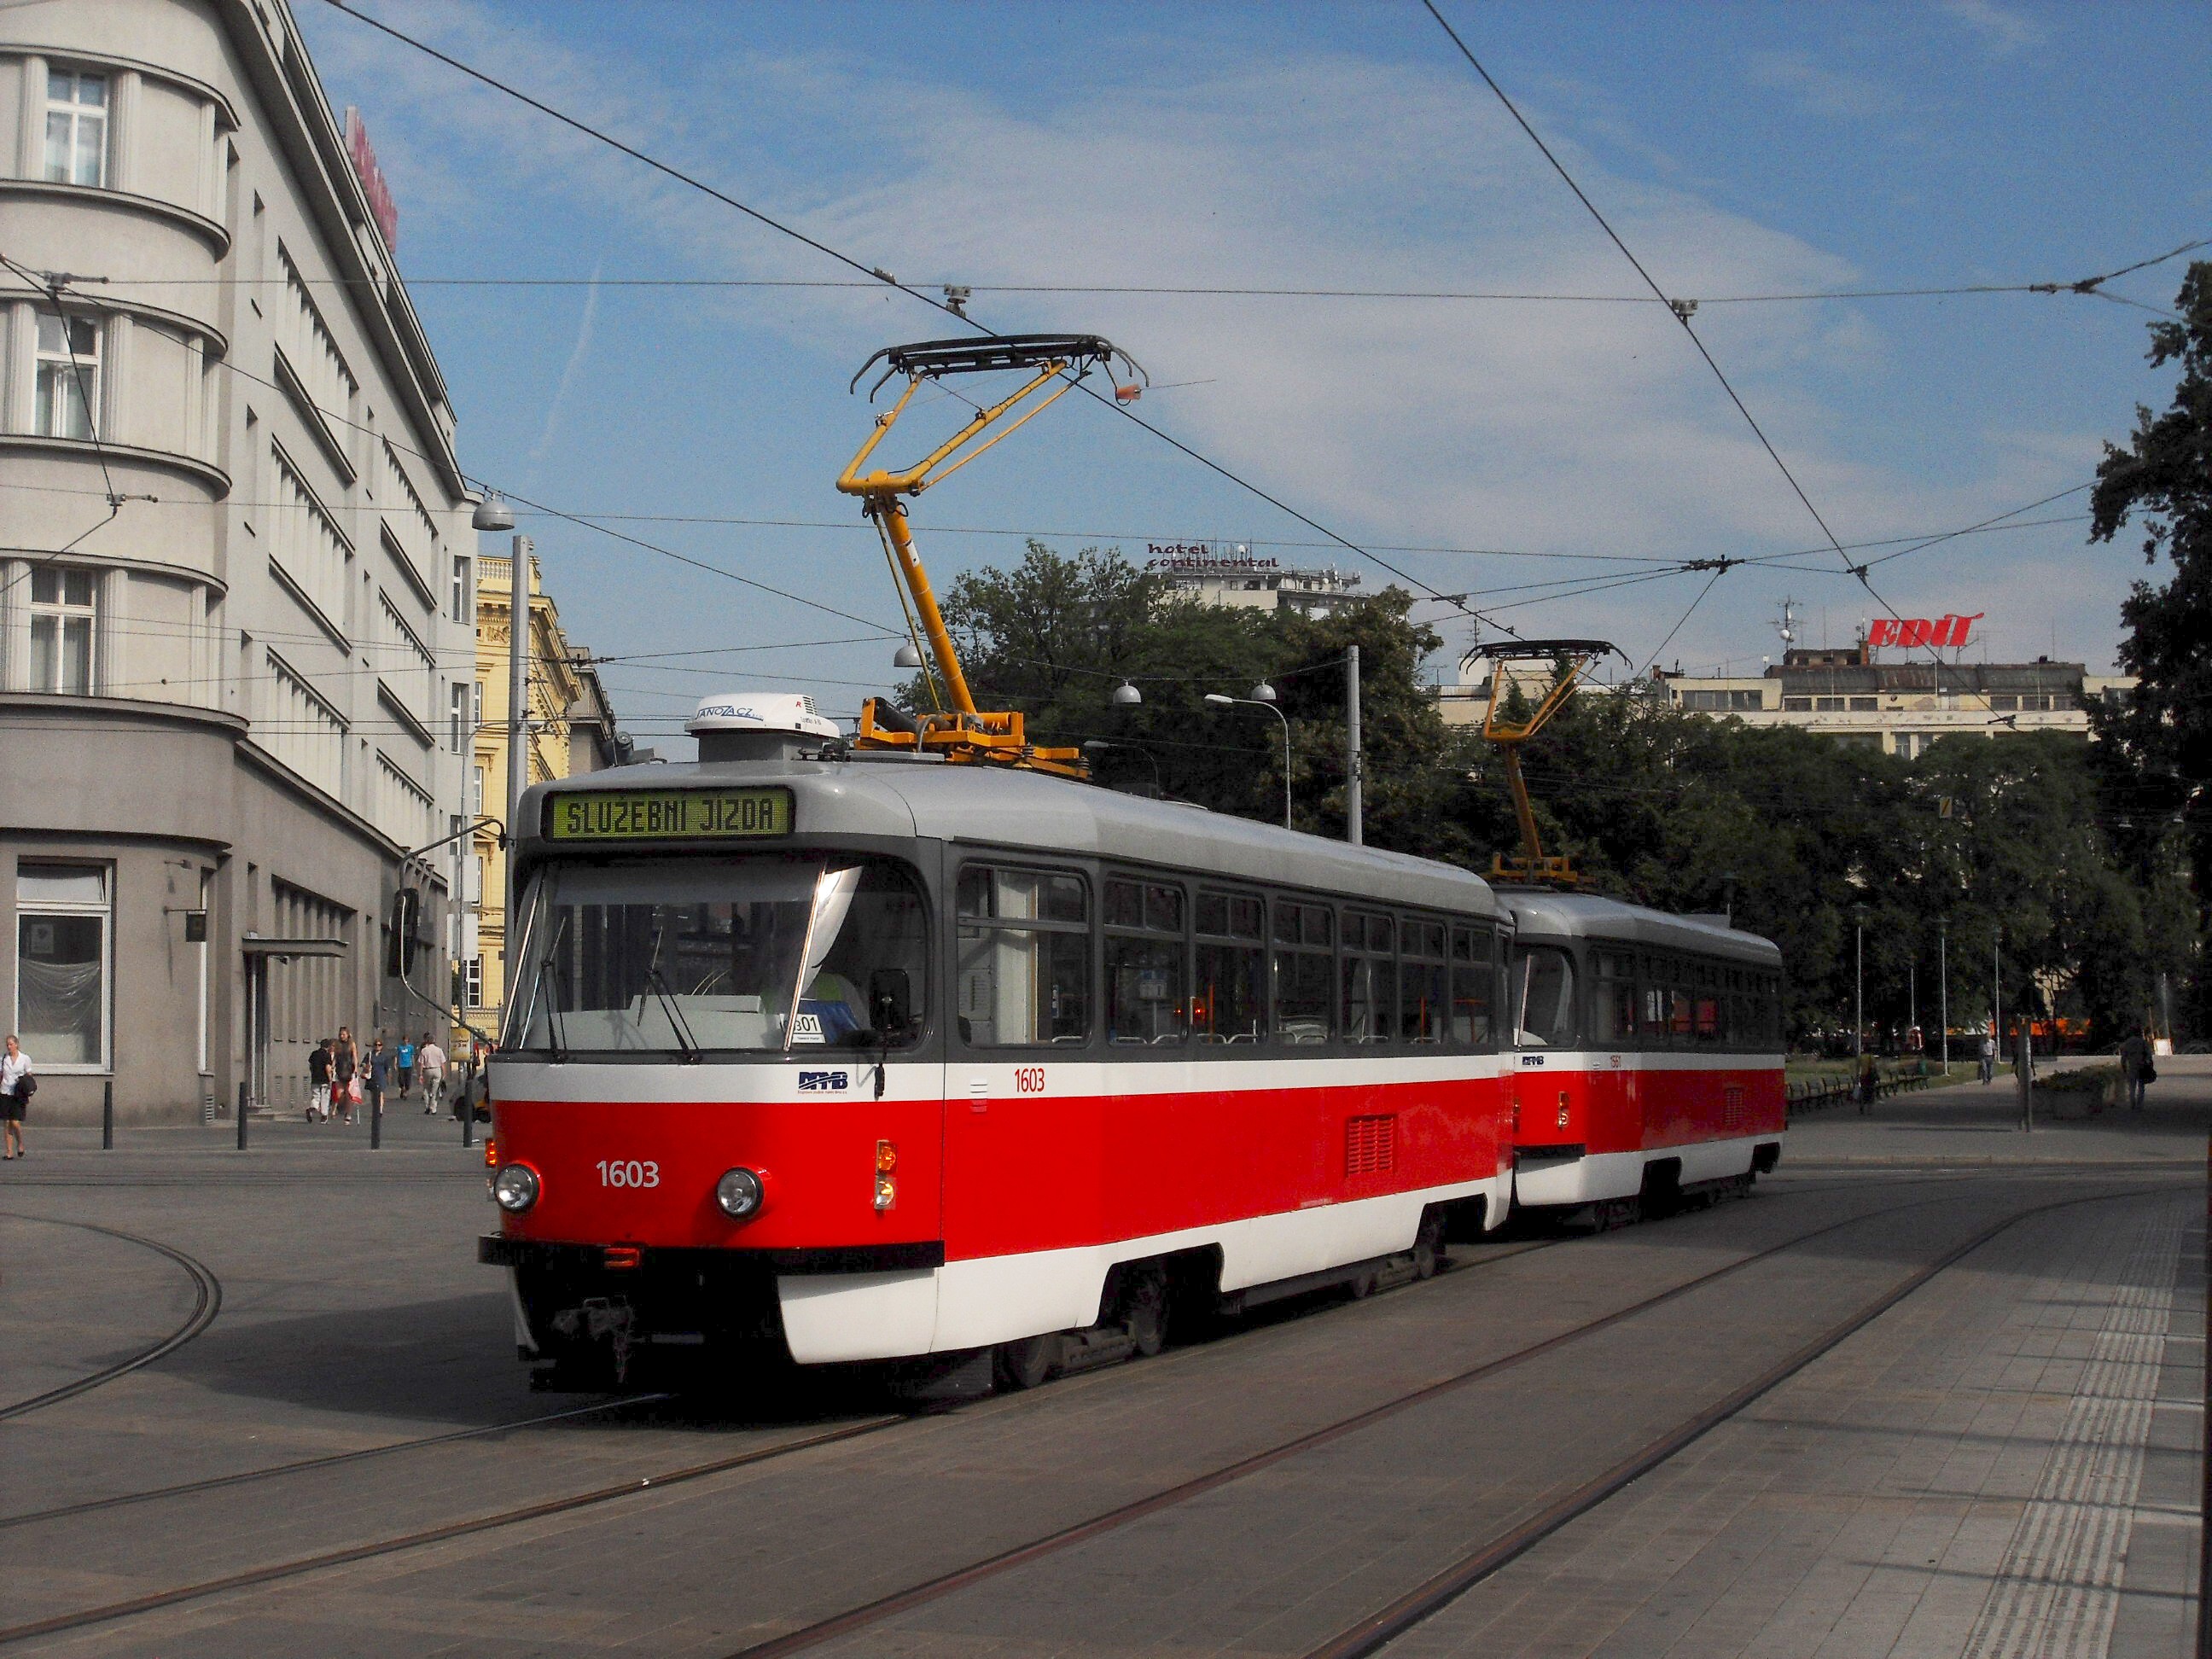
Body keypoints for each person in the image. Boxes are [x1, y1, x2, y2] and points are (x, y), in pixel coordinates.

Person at [2, 1035, 32, 1160]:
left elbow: (29, 1076)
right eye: (7, 1045)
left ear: (16, 1044)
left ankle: (20, 1143)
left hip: (18, 1094)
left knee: (15, 1122)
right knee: (7, 1122)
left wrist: (28, 1091)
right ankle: (9, 1152)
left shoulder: (25, 1058)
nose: (9, 1047)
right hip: (5, 1091)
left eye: (11, 1044)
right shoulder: (4, 1059)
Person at [2120, 1028, 2154, 1111]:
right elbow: (2149, 1055)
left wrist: (2124, 1068)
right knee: (2141, 1086)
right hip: (2142, 1066)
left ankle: (2132, 1103)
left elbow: (2123, 1058)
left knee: (2132, 1086)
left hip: (2131, 1067)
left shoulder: (2126, 1044)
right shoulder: (2142, 1042)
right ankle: (2139, 1105)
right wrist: (2150, 1066)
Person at [333, 1026, 358, 1124]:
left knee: (348, 1094)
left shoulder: (351, 1044)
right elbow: (335, 1057)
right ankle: (342, 1107)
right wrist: (333, 1066)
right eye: (340, 1034)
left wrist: (355, 1068)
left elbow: (355, 1057)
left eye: (343, 1034)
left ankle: (348, 1114)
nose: (341, 1036)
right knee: (339, 1095)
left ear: (348, 1035)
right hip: (339, 1070)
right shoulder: (337, 1044)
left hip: (349, 1070)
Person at [419, 1033, 449, 1115]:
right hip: (437, 1070)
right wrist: (444, 1074)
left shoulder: (424, 1050)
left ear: (427, 1041)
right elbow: (443, 1063)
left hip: (427, 1070)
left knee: (426, 1088)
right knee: (435, 1089)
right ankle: (433, 1108)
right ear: (434, 1041)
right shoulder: (439, 1050)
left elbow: (421, 1063)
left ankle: (427, 1106)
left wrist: (420, 1074)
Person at [306, 1037, 334, 1122]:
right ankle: (324, 1116)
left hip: (315, 1079)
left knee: (316, 1097)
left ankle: (312, 1108)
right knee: (325, 1098)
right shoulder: (327, 1055)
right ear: (328, 1047)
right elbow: (328, 1068)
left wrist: (313, 1073)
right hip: (324, 1080)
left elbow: (310, 1066)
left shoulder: (314, 1054)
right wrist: (330, 1079)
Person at [364, 1037, 390, 1124]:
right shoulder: (370, 1054)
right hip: (372, 1076)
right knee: (373, 1094)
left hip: (381, 1076)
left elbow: (387, 1067)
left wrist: (387, 1075)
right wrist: (366, 1066)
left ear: (382, 1046)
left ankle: (380, 1110)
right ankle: (375, 1109)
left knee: (381, 1093)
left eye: (379, 1045)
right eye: (376, 1045)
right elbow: (363, 1063)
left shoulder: (384, 1056)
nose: (377, 1046)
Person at [395, 1035, 416, 1101]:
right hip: (401, 1065)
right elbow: (396, 1056)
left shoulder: (411, 1047)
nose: (405, 1041)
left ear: (408, 1040)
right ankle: (402, 1089)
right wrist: (395, 1064)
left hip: (408, 1065)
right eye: (404, 1040)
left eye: (406, 1040)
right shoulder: (399, 1047)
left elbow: (412, 1056)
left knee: (408, 1080)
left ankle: (405, 1092)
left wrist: (413, 1065)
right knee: (401, 1079)